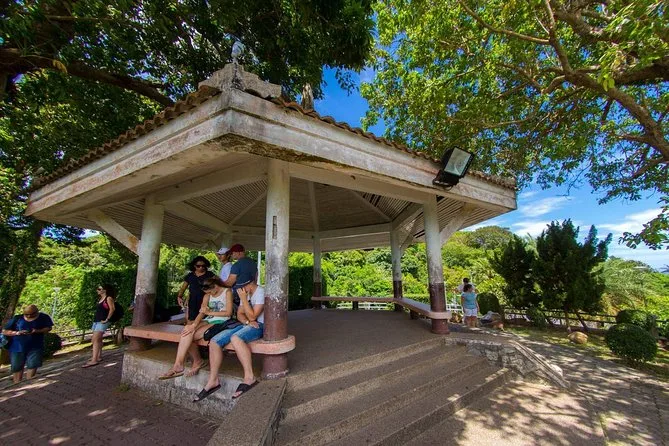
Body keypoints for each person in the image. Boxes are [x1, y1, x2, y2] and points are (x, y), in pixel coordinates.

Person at [194, 278, 264, 401]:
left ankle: (249, 377)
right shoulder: (245, 293)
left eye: (241, 286)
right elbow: (240, 314)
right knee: (215, 341)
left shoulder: (260, 292)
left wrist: (244, 300)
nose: (239, 290)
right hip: (246, 324)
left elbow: (253, 316)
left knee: (235, 338)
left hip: (260, 325)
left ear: (249, 283)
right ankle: (213, 380)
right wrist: (247, 322)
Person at [159, 277, 233, 379]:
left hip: (222, 321)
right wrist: (193, 325)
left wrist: (209, 312)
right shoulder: (207, 295)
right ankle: (178, 364)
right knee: (187, 330)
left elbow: (228, 313)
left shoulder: (227, 292)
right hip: (209, 319)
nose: (209, 294)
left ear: (215, 286)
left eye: (210, 292)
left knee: (188, 336)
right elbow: (202, 313)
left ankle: (193, 362)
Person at [2, 304, 54, 383]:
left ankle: (29, 382)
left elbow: (48, 328)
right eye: (26, 314)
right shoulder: (17, 318)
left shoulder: (43, 317)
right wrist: (17, 333)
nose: (29, 316)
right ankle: (17, 383)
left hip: (35, 347)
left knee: (33, 365)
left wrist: (37, 331)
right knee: (17, 367)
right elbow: (4, 331)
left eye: (31, 314)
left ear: (36, 312)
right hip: (17, 347)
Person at [83, 284, 116, 368]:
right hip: (97, 321)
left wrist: (107, 319)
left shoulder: (108, 298)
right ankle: (98, 356)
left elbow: (112, 309)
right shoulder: (100, 299)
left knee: (95, 339)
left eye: (99, 289)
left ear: (105, 290)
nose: (97, 290)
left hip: (102, 322)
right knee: (98, 339)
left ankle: (94, 359)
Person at [177, 256, 216, 322]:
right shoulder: (190, 275)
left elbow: (218, 285)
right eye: (198, 266)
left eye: (203, 266)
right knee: (191, 320)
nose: (201, 267)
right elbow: (183, 288)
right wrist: (179, 296)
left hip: (206, 301)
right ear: (194, 266)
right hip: (193, 301)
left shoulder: (210, 274)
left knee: (204, 321)